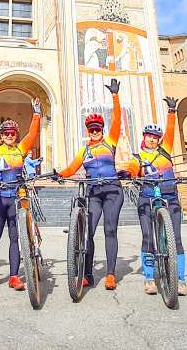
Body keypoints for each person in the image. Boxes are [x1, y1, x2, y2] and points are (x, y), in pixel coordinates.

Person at [57, 79, 123, 290]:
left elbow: (118, 121)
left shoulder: (110, 142)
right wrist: (58, 174)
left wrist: (115, 96)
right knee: (88, 232)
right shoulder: (83, 151)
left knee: (110, 230)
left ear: (102, 130)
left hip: (113, 190)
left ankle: (111, 274)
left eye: (97, 129)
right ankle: (87, 274)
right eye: (91, 129)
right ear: (88, 131)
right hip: (94, 192)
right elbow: (71, 169)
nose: (95, 132)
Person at [118, 96, 187, 296]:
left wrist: (172, 112)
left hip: (170, 197)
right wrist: (126, 174)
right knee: (148, 238)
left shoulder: (165, 152)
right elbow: (132, 169)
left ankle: (180, 279)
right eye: (149, 135)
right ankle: (149, 278)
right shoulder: (138, 158)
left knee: (177, 239)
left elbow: (171, 132)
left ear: (159, 140)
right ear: (144, 137)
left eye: (155, 137)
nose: (152, 139)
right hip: (147, 198)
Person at [0, 98, 42, 295]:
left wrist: (37, 113)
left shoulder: (21, 149)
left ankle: (14, 276)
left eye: (13, 133)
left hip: (16, 198)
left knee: (16, 239)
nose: (9, 136)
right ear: (1, 135)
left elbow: (33, 134)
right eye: (6, 133)